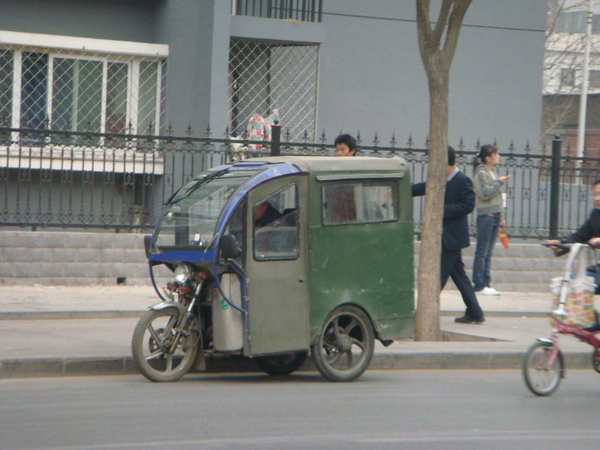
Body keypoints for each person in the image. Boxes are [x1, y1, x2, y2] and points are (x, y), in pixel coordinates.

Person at [412, 146, 485, 324]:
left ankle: (425, 311)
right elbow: (423, 187)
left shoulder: (462, 181)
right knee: (459, 276)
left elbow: (468, 205)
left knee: (439, 276)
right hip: (443, 237)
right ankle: (475, 312)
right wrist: (401, 189)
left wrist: (441, 210)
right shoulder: (439, 179)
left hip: (452, 237)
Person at [472, 144, 510, 296]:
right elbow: (485, 193)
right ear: (488, 158)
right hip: (486, 217)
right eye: (496, 154)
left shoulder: (492, 172)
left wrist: (501, 217)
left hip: (494, 216)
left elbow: (496, 196)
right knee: (482, 251)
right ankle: (479, 284)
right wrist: (499, 182)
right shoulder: (481, 173)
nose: (498, 156)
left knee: (488, 252)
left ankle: (486, 283)